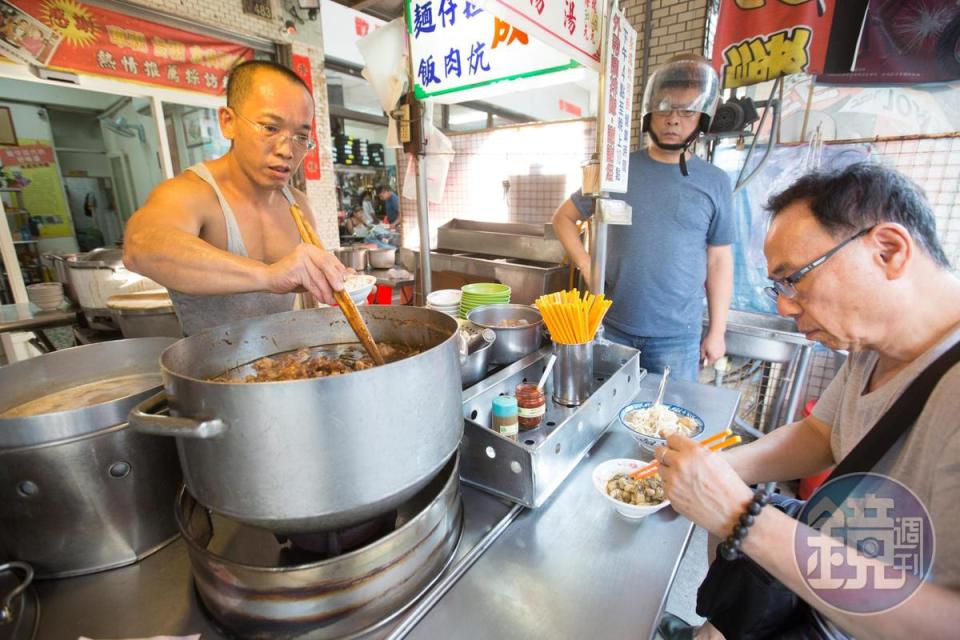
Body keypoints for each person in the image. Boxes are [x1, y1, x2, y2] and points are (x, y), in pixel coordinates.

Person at [656, 163, 960, 639]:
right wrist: (720, 469)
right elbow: (822, 433)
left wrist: (738, 515)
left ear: (888, 250)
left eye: (795, 278)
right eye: (779, 286)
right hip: (830, 556)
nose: (784, 305)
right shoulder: (869, 344)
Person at [123, 60, 347, 336]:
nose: (287, 150)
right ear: (228, 122)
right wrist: (268, 275)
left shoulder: (298, 206)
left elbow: (312, 292)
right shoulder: (192, 193)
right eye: (270, 128)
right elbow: (140, 248)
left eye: (301, 137)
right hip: (210, 373)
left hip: (284, 367)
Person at [551, 56, 734, 381]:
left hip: (678, 336)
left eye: (687, 112)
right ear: (649, 113)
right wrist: (586, 265)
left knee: (668, 423)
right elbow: (563, 218)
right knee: (607, 415)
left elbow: (719, 260)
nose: (673, 121)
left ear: (702, 118)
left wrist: (717, 332)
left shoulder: (715, 181)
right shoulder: (615, 171)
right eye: (665, 110)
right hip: (612, 325)